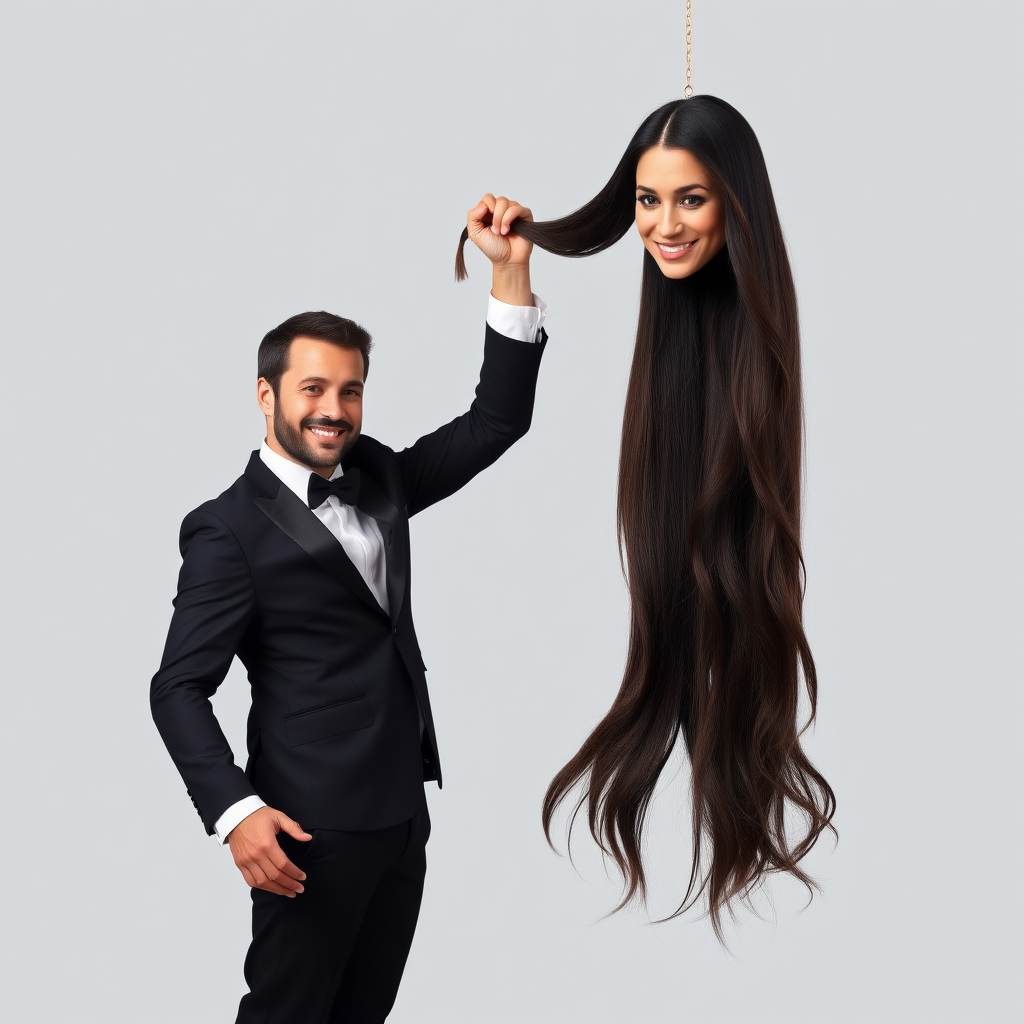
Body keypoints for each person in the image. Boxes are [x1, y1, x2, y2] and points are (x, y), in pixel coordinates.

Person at [152, 194, 542, 1023]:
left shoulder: (380, 474)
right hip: (309, 832)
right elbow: (176, 687)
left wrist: (509, 268)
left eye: (352, 390)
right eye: (314, 389)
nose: (335, 408)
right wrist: (236, 813)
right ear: (266, 394)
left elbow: (498, 419)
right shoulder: (226, 530)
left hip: (403, 817)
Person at [457, 95, 836, 937]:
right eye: (646, 199)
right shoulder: (669, 338)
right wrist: (510, 273)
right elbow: (495, 425)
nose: (663, 224)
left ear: (736, 202)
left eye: (690, 199)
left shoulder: (757, 355)